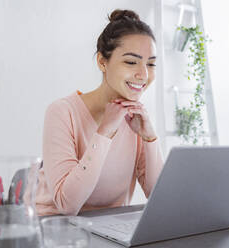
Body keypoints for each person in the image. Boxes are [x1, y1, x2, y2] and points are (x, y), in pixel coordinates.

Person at [33, 9, 164, 216]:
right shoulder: (62, 111)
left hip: (108, 233)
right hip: (54, 229)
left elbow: (158, 197)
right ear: (103, 62)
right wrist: (105, 132)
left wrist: (150, 138)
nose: (144, 74)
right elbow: (68, 205)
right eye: (131, 62)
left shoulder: (136, 119)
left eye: (151, 64)